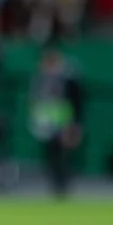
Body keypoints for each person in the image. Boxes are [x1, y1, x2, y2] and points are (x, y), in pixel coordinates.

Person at [29, 44, 84, 198]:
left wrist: (74, 125)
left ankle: (64, 187)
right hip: (47, 125)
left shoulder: (69, 79)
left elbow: (77, 104)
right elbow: (36, 102)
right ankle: (54, 186)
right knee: (50, 157)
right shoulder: (40, 79)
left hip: (64, 124)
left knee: (64, 157)